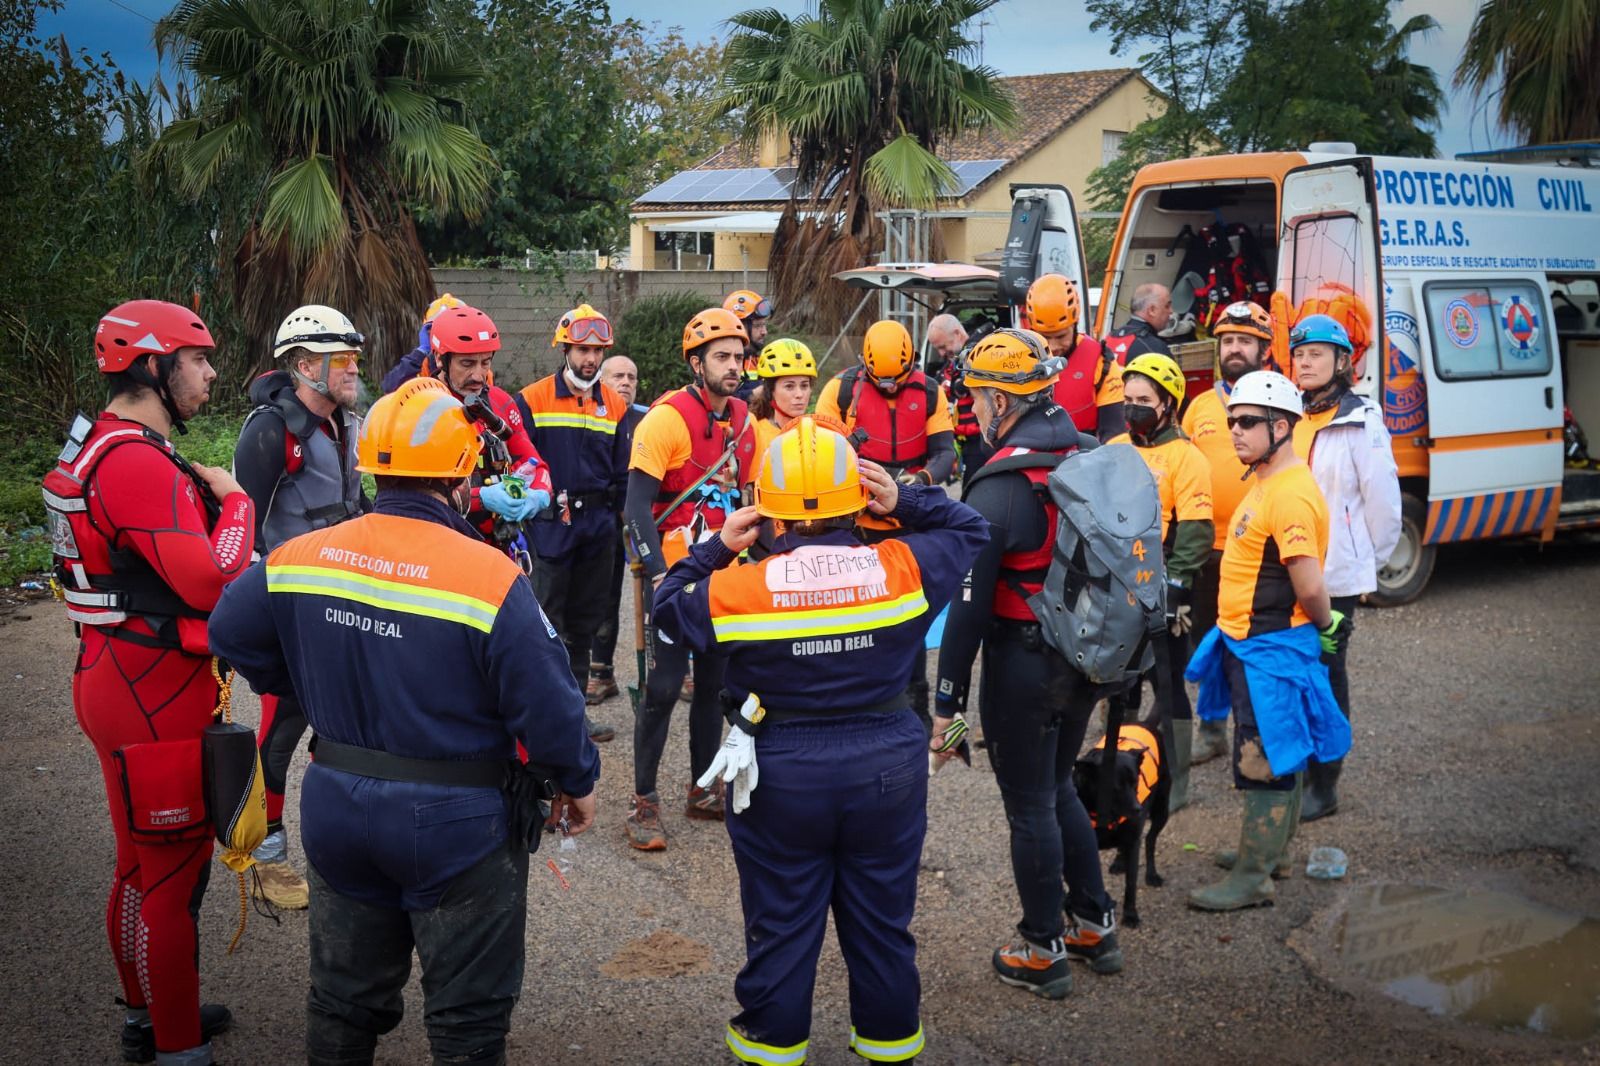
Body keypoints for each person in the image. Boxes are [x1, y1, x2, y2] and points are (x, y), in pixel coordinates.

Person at [209, 377, 600, 1065]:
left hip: (335, 804)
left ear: (370, 467)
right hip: (458, 822)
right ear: (462, 473)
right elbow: (549, 701)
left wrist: (310, 683)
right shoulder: (489, 576)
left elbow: (231, 633)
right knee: (466, 1021)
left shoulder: (300, 557)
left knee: (340, 1001)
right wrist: (576, 779)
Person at [654, 417, 987, 1064]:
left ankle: (774, 1046)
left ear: (768, 512)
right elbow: (969, 529)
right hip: (887, 763)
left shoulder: (741, 587)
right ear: (858, 500)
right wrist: (905, 498)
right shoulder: (902, 565)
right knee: (883, 925)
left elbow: (668, 607)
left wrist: (718, 548)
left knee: (781, 924)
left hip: (780, 770)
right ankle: (890, 1045)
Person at [43, 300, 255, 1066]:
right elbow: (209, 583)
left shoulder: (97, 445)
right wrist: (237, 502)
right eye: (197, 359)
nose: (210, 373)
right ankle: (176, 1046)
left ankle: (148, 1012)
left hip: (113, 673)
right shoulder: (135, 460)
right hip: (153, 686)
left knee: (138, 865)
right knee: (169, 876)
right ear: (154, 365)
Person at [932, 328, 1124, 1000]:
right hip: (1085, 656)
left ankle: (1042, 946)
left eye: (976, 399)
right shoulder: (1085, 450)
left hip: (1024, 666)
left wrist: (946, 705)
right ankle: (1094, 921)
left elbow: (969, 609)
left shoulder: (1000, 487)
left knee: (1029, 805)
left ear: (995, 399)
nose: (973, 412)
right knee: (1059, 787)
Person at [1185, 370, 1351, 912]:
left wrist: (1327, 627)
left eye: (1248, 422)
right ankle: (1272, 854)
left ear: (1281, 427)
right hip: (1250, 645)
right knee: (1280, 746)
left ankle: (1255, 874)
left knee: (1266, 754)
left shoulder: (1290, 495)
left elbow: (1308, 581)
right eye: (1232, 420)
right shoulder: (1268, 481)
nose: (1234, 431)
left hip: (1271, 650)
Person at [232, 304, 371, 910]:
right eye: (342, 359)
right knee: (283, 722)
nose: (353, 369)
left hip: (345, 592)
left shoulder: (350, 423)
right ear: (303, 365)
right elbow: (239, 530)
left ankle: (346, 833)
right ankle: (266, 849)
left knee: (352, 713)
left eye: (354, 359)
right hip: (292, 600)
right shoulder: (269, 430)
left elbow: (357, 503)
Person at [621, 307, 758, 848]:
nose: (733, 366)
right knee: (659, 690)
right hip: (674, 579)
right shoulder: (664, 419)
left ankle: (703, 788)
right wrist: (657, 577)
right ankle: (643, 801)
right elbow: (634, 509)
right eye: (721, 357)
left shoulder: (746, 421)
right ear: (696, 363)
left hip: (725, 579)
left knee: (714, 688)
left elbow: (750, 502)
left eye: (738, 356)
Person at [815, 319, 957, 731]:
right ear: (865, 366)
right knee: (853, 617)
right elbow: (822, 450)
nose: (891, 387)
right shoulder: (840, 390)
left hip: (909, 515)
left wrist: (922, 481)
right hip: (855, 520)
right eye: (882, 380)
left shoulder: (931, 392)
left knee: (911, 614)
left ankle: (916, 706)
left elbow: (946, 452)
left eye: (898, 379)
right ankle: (853, 701)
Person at [1288, 313, 1401, 822]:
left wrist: (1365, 566)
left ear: (1341, 362)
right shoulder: (1285, 413)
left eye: (1317, 353)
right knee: (1291, 670)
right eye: (1299, 353)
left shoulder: (1361, 419)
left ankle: (1325, 781)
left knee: (1327, 673)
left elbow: (1383, 503)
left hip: (1335, 580)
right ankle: (1295, 768)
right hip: (1289, 570)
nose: (1306, 361)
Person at [1105, 353, 1215, 810]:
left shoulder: (1187, 457)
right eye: (1127, 399)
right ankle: (1119, 770)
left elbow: (1196, 530)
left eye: (1144, 400)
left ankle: (1178, 784)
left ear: (1168, 403)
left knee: (1167, 686)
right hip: (1119, 583)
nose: (1133, 408)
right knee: (1120, 685)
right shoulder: (1112, 447)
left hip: (1163, 583)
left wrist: (1178, 590)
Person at [517, 304, 628, 743]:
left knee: (585, 625)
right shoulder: (532, 399)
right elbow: (521, 465)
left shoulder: (615, 404)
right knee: (545, 626)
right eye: (582, 349)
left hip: (598, 530)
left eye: (597, 351)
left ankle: (576, 717)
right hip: (550, 527)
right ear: (565, 348)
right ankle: (541, 718)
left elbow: (622, 475)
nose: (590, 359)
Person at [1182, 300, 1276, 765]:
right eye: (1228, 341)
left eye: (1245, 341)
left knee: (1257, 644)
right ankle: (1213, 727)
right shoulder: (1199, 405)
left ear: (1264, 348)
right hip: (1207, 548)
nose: (1235, 349)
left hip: (1261, 550)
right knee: (1209, 641)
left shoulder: (1280, 399)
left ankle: (1257, 734)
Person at [420, 303, 553, 560]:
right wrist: (482, 498)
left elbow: (534, 463)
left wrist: (537, 495)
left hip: (496, 548)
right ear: (440, 358)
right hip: (440, 548)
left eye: (485, 363)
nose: (479, 375)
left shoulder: (500, 402)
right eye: (467, 363)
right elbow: (415, 495)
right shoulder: (421, 407)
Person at [587, 355, 649, 706]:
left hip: (642, 516)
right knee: (602, 595)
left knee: (656, 591)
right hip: (602, 516)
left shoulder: (646, 417)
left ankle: (669, 667)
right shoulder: (592, 414)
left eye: (632, 376)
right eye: (618, 376)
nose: (626, 382)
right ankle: (600, 672)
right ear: (601, 380)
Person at [1026, 273, 1125, 440]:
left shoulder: (1101, 361)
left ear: (1075, 325)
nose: (1053, 347)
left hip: (1083, 456)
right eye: (1045, 337)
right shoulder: (1018, 358)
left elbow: (1114, 430)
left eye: (1061, 336)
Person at [927, 313, 989, 483]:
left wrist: (955, 386)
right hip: (961, 439)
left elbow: (964, 387)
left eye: (942, 346)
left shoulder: (981, 355)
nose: (940, 353)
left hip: (980, 441)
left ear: (957, 334)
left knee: (973, 487)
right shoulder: (955, 359)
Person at [380, 293, 464, 395]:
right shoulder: (424, 363)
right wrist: (422, 350)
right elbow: (389, 387)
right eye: (435, 329)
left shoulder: (474, 366)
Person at [746, 338, 816, 458]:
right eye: (789, 386)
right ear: (770, 391)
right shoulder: (754, 434)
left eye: (804, 385)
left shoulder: (818, 433)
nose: (799, 394)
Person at [1102, 283, 1174, 365]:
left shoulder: (1109, 339)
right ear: (1152, 310)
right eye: (1167, 306)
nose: (1171, 311)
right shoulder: (1155, 349)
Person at [724, 289, 772, 402]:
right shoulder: (722, 362)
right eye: (757, 326)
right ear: (738, 326)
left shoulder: (759, 360)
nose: (764, 332)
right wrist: (753, 394)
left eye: (764, 325)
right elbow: (718, 400)